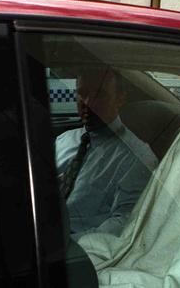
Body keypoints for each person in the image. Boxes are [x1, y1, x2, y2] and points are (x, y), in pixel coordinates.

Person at [55, 68, 157, 239]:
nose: (87, 102)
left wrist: (67, 245)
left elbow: (124, 222)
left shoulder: (136, 156)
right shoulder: (64, 140)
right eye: (82, 93)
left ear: (120, 99)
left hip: (81, 248)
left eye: (99, 95)